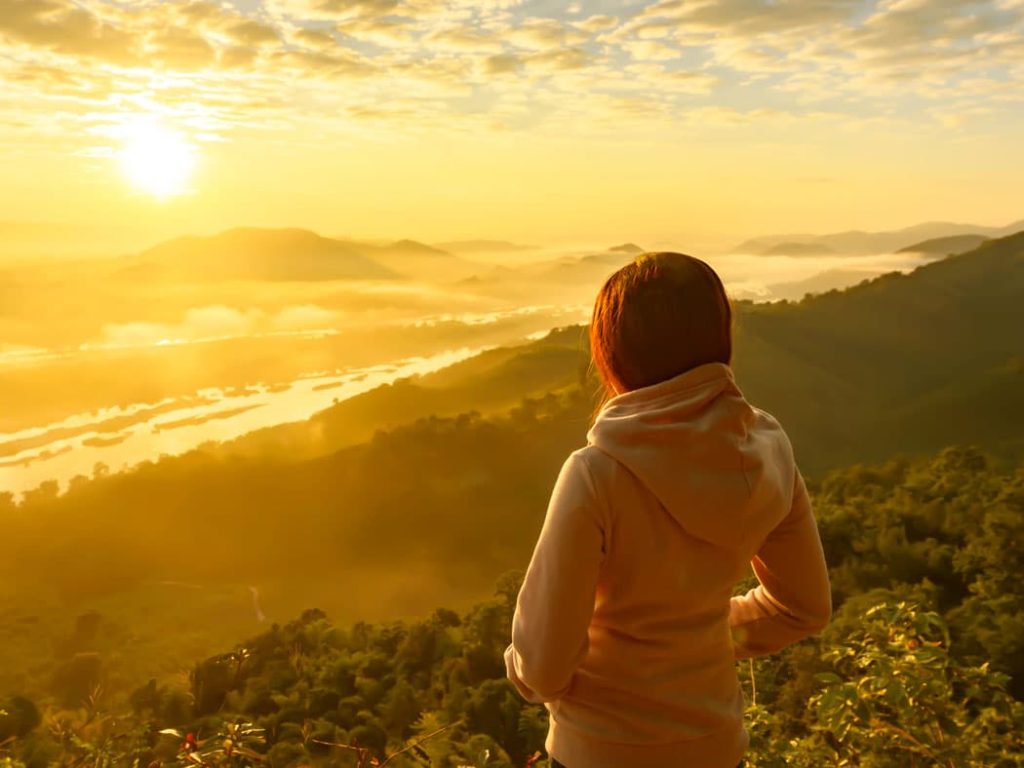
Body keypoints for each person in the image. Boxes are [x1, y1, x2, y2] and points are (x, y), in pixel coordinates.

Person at [504, 252, 832, 768]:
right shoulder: (769, 450)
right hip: (717, 748)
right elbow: (804, 608)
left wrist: (517, 665)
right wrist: (696, 635)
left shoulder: (596, 473)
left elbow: (541, 669)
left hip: (598, 752)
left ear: (613, 352)